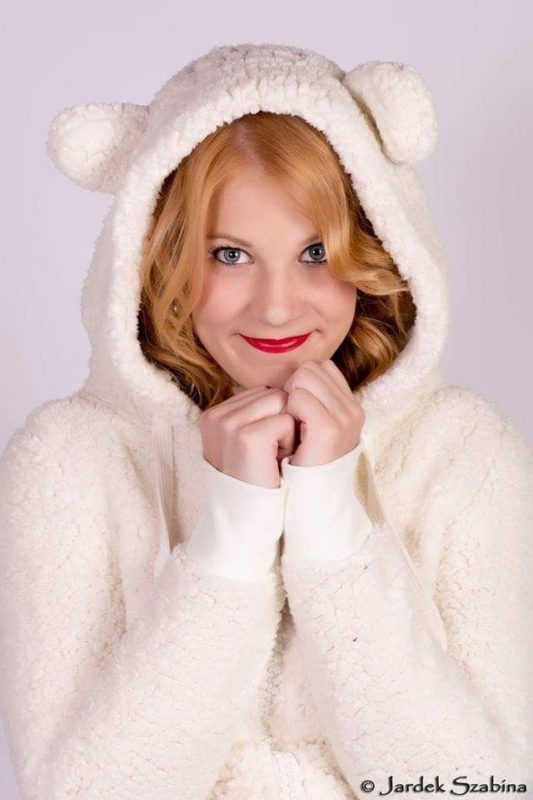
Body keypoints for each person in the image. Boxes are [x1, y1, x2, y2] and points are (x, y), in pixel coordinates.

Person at [0, 42, 531, 800]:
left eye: (315, 251)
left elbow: (475, 790)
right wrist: (230, 539)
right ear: (161, 257)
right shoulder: (68, 462)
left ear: (376, 245)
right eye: (230, 255)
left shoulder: (465, 453)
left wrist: (332, 521)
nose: (277, 307)